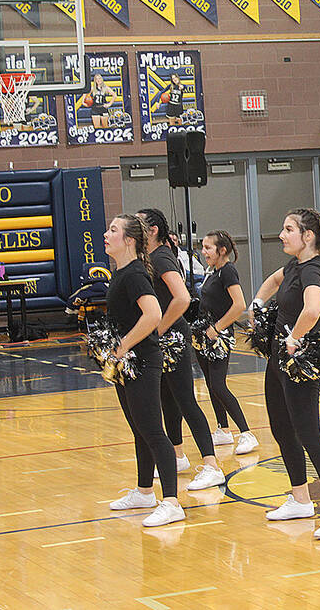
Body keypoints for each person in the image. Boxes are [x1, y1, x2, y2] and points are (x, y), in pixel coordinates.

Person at [249, 208, 320, 540]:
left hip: (300, 359)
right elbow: (275, 280)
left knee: (310, 436)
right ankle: (300, 499)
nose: (282, 235)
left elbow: (312, 308)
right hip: (278, 358)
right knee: (281, 429)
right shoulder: (295, 265)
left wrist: (294, 338)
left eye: (288, 229)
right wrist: (257, 302)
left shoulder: (315, 271)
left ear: (307, 236)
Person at [102, 214, 185, 528]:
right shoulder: (121, 272)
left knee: (152, 431)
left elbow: (153, 314)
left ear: (130, 240)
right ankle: (144, 492)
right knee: (139, 428)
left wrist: (122, 346)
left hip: (143, 360)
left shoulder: (135, 273)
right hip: (127, 363)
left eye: (113, 230)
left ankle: (172, 502)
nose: (106, 234)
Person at [137, 208, 223, 492]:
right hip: (161, 342)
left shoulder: (161, 256)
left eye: (139, 225)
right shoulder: (151, 257)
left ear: (152, 231)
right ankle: (177, 456)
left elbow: (183, 298)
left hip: (172, 338)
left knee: (186, 401)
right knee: (168, 401)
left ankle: (211, 465)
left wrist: (159, 328)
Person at [197, 230, 258, 455]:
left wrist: (218, 328)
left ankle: (246, 433)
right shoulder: (213, 272)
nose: (203, 252)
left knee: (219, 385)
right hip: (206, 334)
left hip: (218, 336)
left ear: (222, 250)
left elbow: (239, 304)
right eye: (203, 247)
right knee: (211, 384)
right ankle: (223, 430)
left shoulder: (228, 271)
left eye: (208, 248)